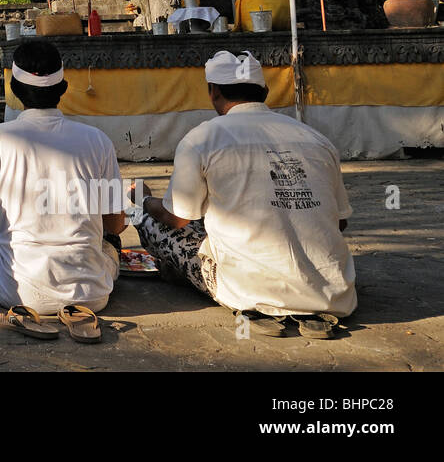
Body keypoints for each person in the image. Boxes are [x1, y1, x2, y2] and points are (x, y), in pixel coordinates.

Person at [135, 50, 356, 338]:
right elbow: (339, 223)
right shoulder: (318, 140)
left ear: (213, 92)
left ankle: (198, 277)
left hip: (247, 289)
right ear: (265, 91)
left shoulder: (201, 139)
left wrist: (144, 200)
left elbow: (176, 219)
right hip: (331, 293)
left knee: (147, 219)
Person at [0, 40, 126, 323]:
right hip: (93, 294)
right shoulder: (98, 140)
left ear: (15, 90)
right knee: (110, 244)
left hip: (21, 294)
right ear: (63, 88)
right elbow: (115, 226)